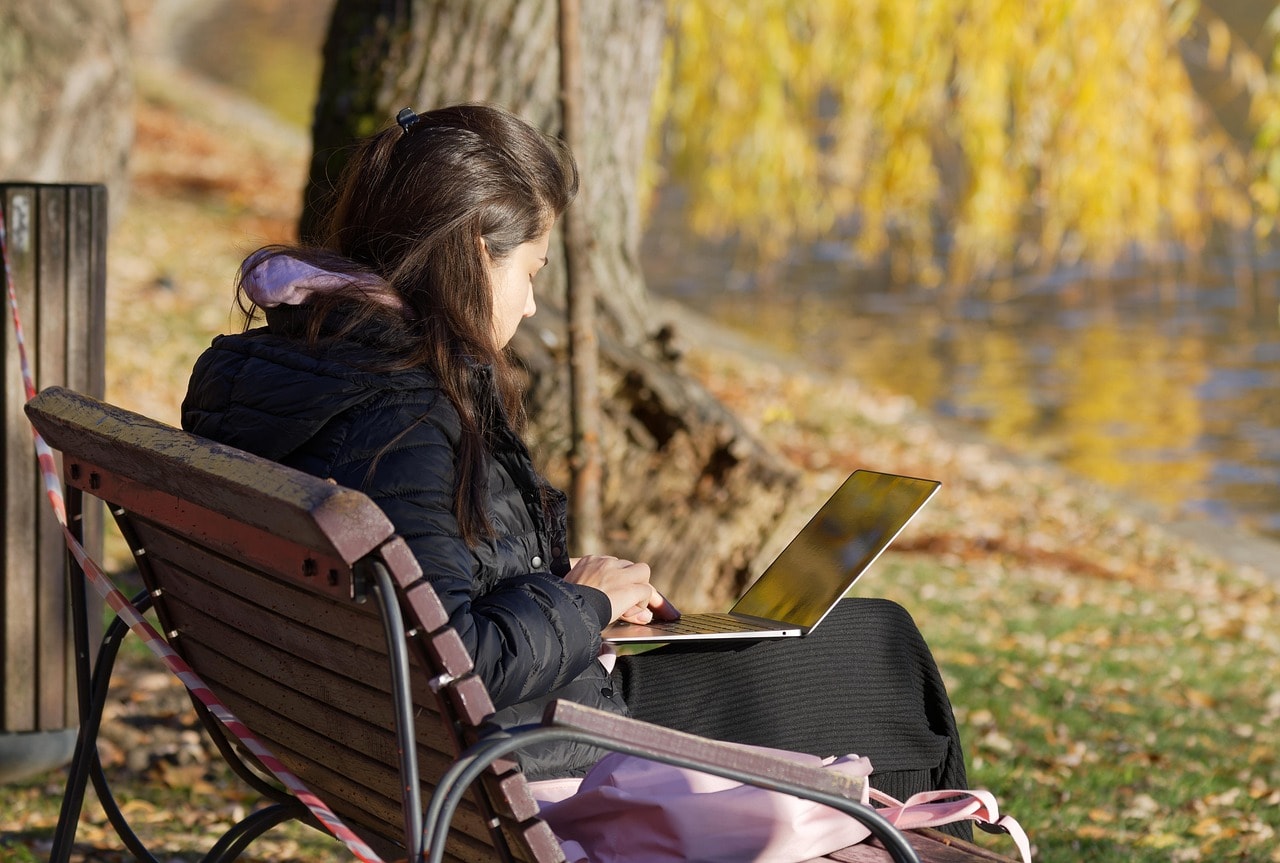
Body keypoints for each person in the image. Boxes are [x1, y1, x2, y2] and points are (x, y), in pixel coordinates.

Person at [181, 103, 969, 823]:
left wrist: (562, 589)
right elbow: (448, 663)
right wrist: (581, 604)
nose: (527, 306)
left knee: (859, 644)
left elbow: (421, 602)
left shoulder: (275, 371)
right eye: (530, 273)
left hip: (368, 741)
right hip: (520, 762)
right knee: (881, 656)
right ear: (468, 253)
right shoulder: (404, 411)